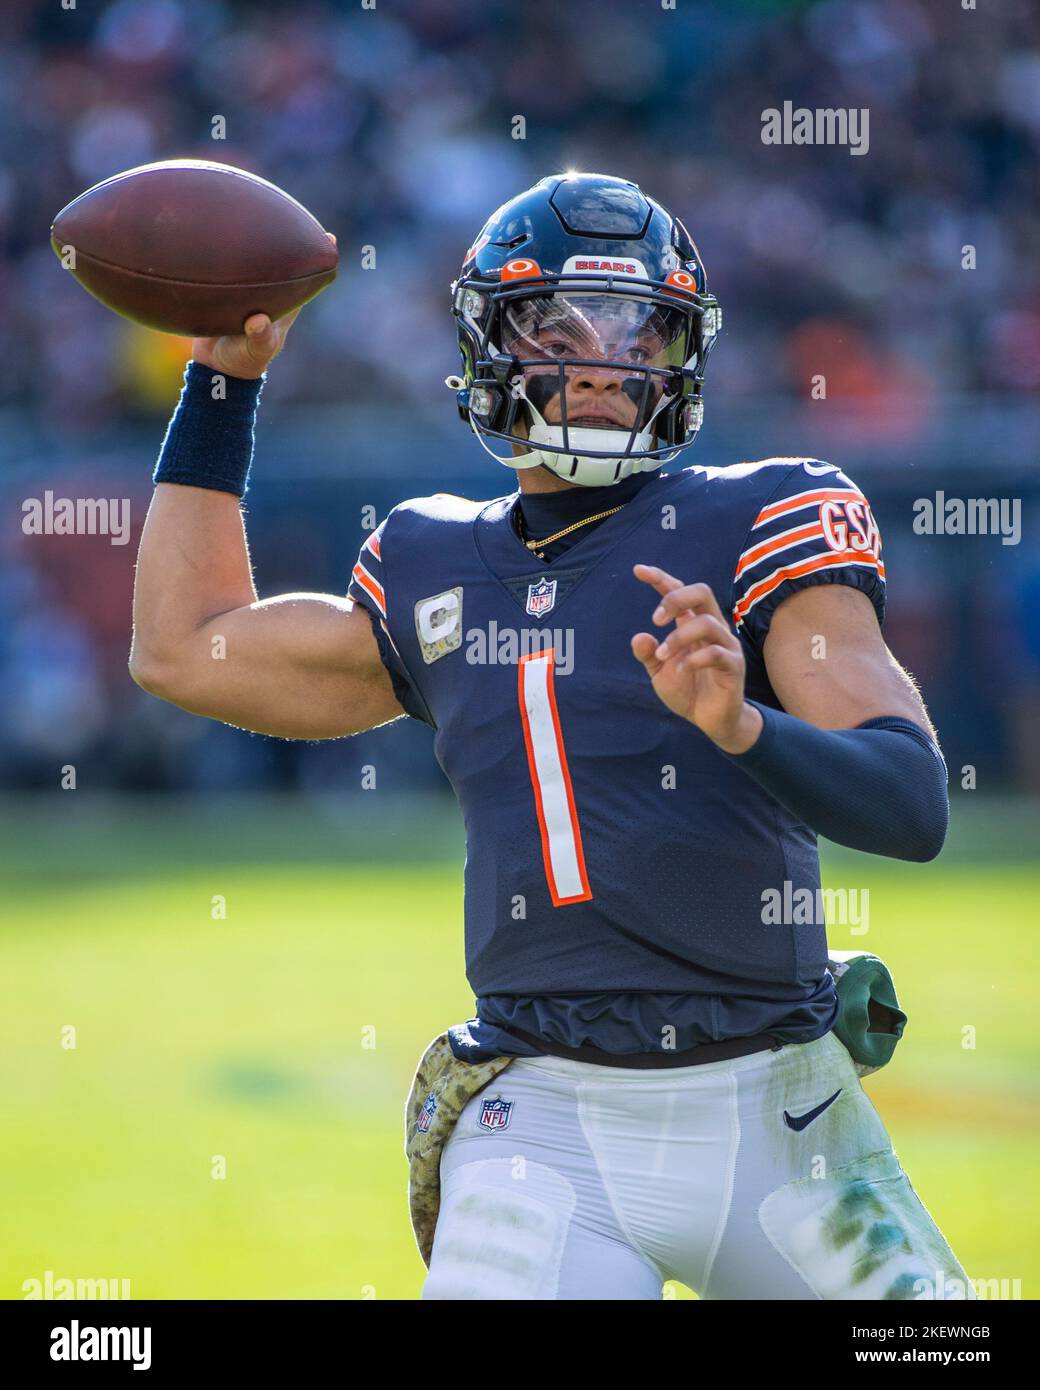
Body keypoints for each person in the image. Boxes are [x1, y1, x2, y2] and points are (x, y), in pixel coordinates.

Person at [130, 172, 971, 1300]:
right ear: (489, 346)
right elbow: (184, 647)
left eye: (639, 328)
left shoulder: (761, 515)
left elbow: (910, 805)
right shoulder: (428, 558)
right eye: (558, 326)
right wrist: (222, 385)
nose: (605, 361)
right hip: (541, 1128)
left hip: (777, 1108)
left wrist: (741, 726)